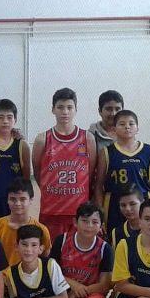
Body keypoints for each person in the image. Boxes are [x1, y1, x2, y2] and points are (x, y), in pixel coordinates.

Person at [31, 88, 96, 244]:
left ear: (76, 109)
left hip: (79, 211)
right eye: (60, 107)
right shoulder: (42, 139)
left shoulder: (87, 138)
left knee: (78, 252)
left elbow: (90, 172)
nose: (65, 112)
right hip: (51, 210)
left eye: (69, 107)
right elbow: (38, 174)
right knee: (51, 252)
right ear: (53, 109)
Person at [93, 109, 150, 234]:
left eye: (131, 124)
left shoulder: (148, 151)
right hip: (115, 204)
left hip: (141, 203)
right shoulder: (106, 152)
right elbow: (99, 185)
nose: (127, 127)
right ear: (114, 129)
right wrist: (99, 213)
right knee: (116, 237)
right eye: (122, 124)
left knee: (143, 239)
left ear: (137, 128)